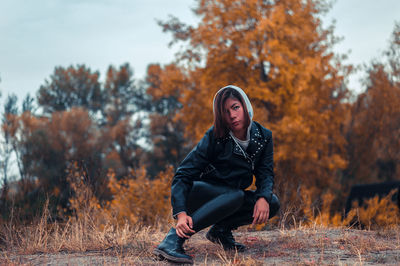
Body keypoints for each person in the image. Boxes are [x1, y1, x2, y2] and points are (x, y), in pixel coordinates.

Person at [153, 85, 280, 264]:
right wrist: (181, 214)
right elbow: (183, 175)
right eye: (225, 111)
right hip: (200, 194)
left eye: (235, 107)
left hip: (231, 197)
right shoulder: (215, 136)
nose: (232, 115)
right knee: (235, 195)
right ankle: (172, 240)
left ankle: (220, 231)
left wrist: (263, 198)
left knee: (272, 202)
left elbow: (265, 172)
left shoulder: (264, 136)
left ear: (245, 106)